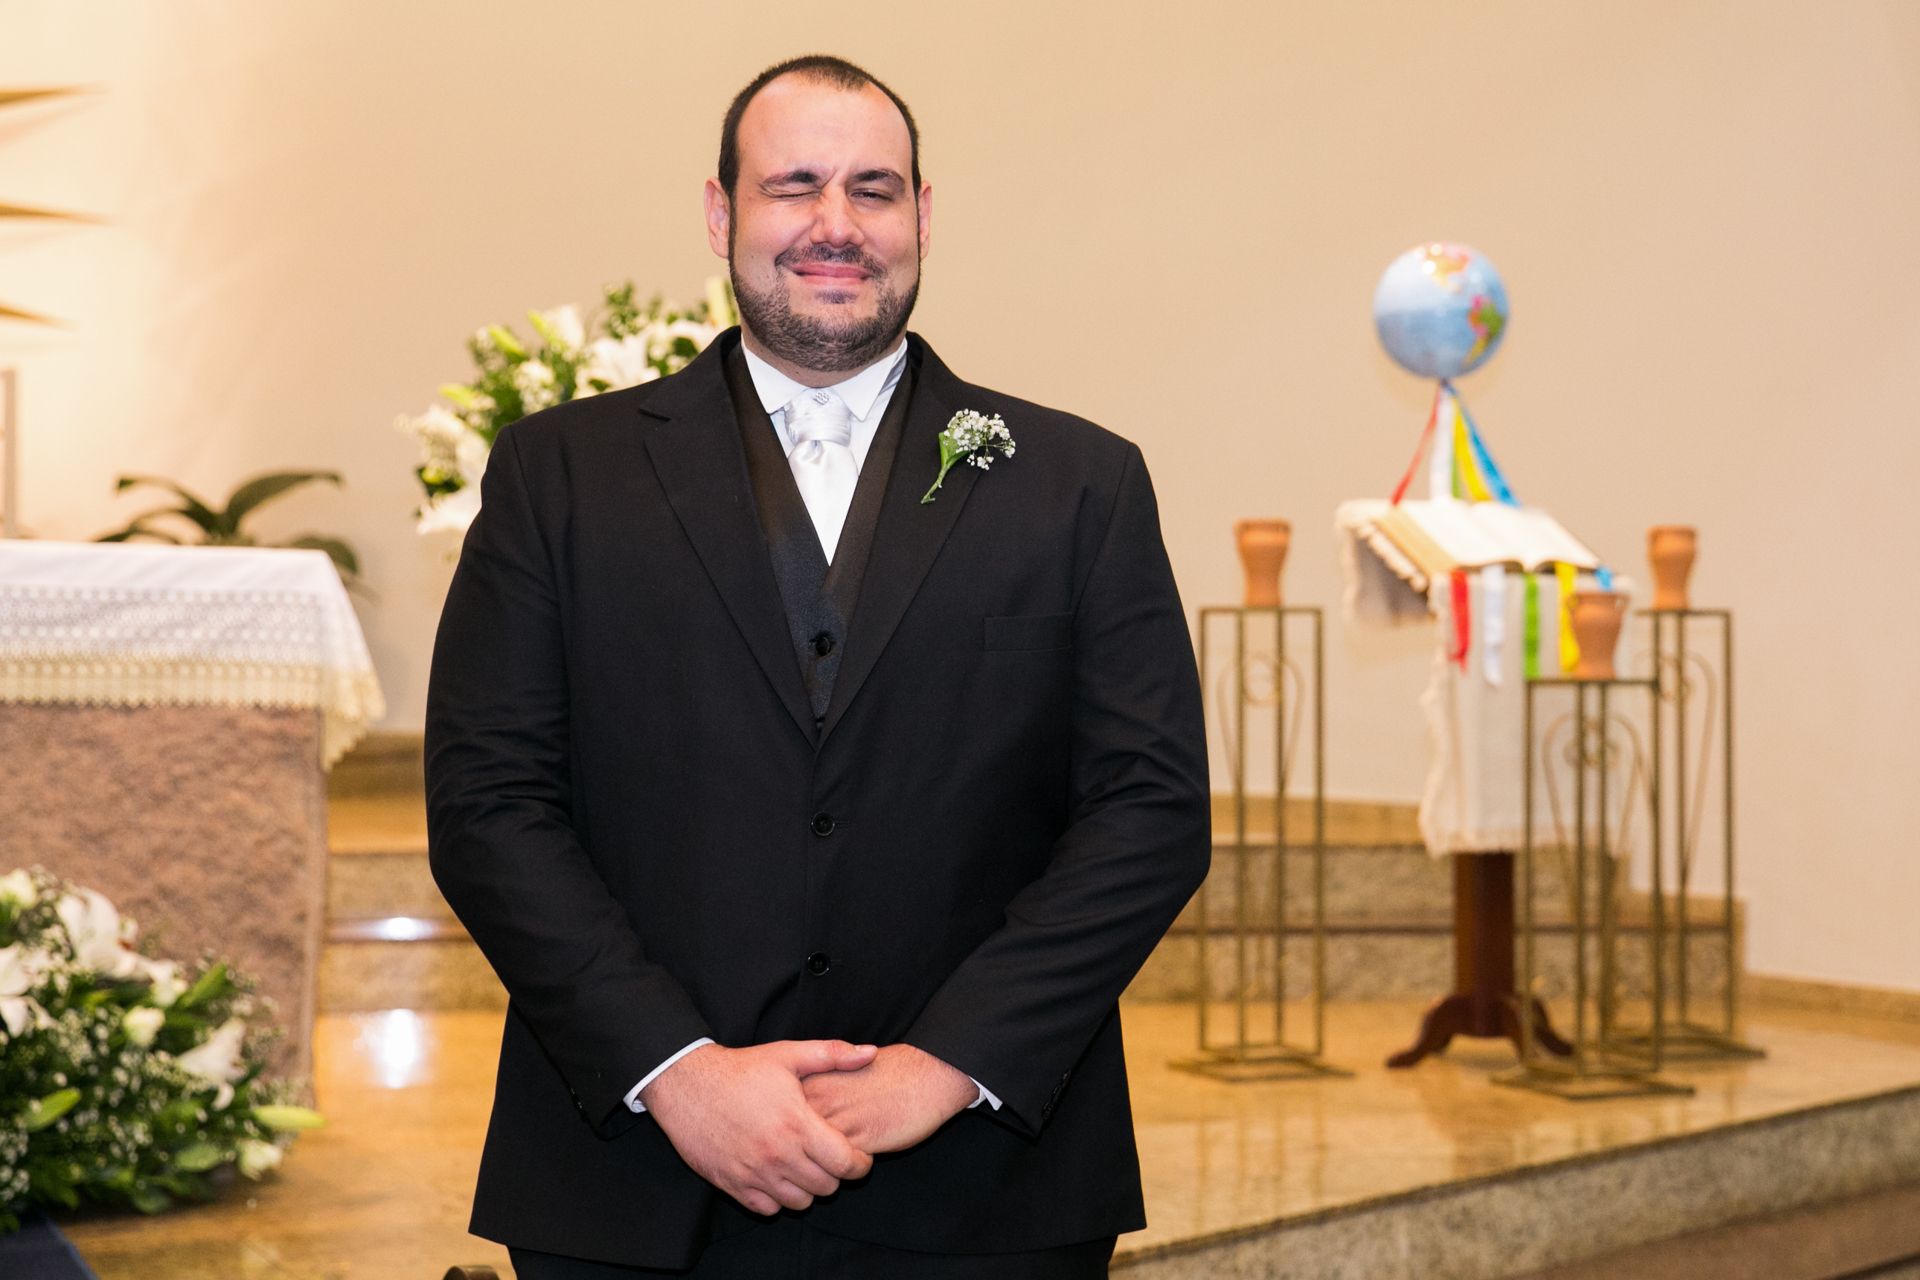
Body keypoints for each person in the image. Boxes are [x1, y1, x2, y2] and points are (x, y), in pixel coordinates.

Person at [425, 53, 1209, 1279]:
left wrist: (944, 1066)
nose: (834, 225)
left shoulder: (1080, 485)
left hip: (985, 1185)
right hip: (637, 1181)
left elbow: (1150, 814)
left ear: (925, 216)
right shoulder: (557, 476)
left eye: (874, 190)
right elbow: (487, 805)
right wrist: (675, 1072)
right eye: (793, 186)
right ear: (720, 212)